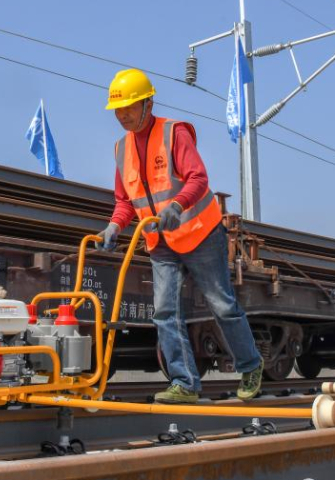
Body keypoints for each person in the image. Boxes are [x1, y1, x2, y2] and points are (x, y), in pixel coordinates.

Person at [96, 68, 263, 404]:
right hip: (160, 244)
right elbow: (125, 201)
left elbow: (198, 179)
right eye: (118, 109)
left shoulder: (174, 133)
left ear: (148, 103)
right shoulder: (120, 148)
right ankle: (185, 383)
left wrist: (176, 205)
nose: (122, 115)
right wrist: (115, 226)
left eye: (129, 107)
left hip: (199, 234)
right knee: (164, 312)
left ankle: (250, 366)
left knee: (222, 306)